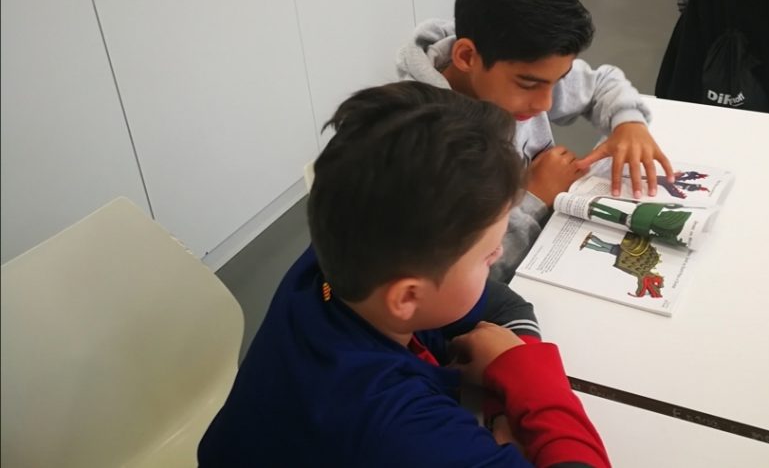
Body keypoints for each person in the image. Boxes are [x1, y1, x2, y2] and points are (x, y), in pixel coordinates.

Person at [198, 82, 611, 468]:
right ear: (407, 297)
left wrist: (504, 398)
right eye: (487, 256)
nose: (500, 254)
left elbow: (505, 305)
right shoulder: (398, 428)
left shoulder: (344, 258)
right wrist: (525, 374)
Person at [397, 0, 672, 281]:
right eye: (529, 84)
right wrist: (536, 196)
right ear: (466, 57)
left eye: (557, 80)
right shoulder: (417, 146)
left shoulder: (517, 64)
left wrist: (628, 122)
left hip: (548, 244)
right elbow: (454, 279)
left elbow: (603, 83)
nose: (545, 102)